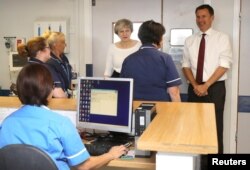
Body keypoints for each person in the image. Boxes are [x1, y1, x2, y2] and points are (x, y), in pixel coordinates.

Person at [0, 64, 128, 170]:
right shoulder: (60, 124)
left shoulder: (6, 124)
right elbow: (84, 166)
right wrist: (110, 155)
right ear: (49, 90)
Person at [182, 4, 232, 154]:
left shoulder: (222, 38)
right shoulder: (189, 40)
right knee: (194, 129)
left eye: (204, 16)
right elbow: (185, 65)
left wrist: (206, 85)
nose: (200, 20)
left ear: (212, 18)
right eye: (198, 17)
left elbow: (224, 65)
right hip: (194, 88)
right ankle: (197, 163)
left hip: (215, 88)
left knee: (215, 128)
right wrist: (196, 85)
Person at [120, 20, 182, 102]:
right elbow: (174, 92)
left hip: (135, 108)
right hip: (160, 108)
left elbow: (123, 89)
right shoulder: (165, 58)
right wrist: (177, 113)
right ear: (158, 38)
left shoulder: (128, 60)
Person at [44, 31, 72, 98]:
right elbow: (56, 88)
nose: (65, 45)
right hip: (58, 98)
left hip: (67, 95)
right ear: (54, 44)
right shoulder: (50, 62)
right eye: (63, 42)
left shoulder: (64, 58)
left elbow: (68, 76)